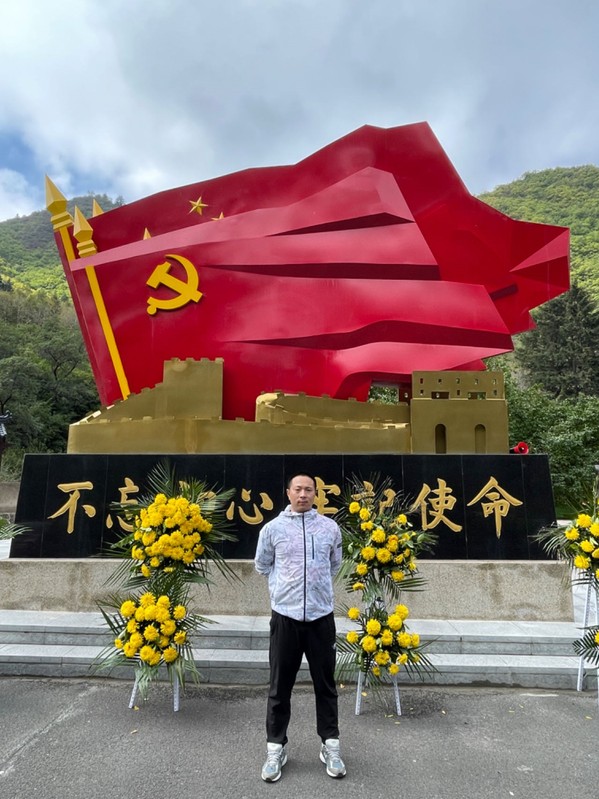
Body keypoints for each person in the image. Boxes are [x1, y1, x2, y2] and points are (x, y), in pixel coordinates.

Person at [254, 472, 346, 782]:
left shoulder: (330, 528)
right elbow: (262, 565)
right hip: (285, 618)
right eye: (298, 489)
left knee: (326, 685)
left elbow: (335, 564)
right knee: (279, 687)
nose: (303, 494)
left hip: (321, 618)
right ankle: (275, 747)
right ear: (288, 493)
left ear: (316, 494)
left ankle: (330, 745)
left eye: (308, 489)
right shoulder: (272, 529)